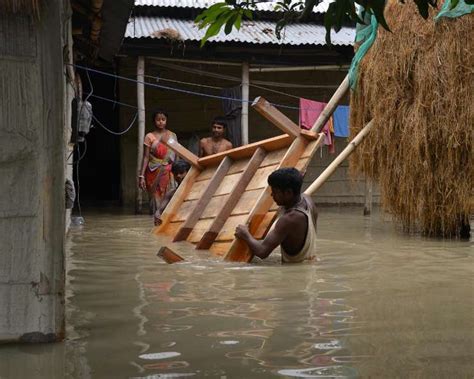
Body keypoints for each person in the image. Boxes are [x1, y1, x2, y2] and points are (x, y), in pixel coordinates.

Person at [235, 168, 318, 263]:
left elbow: (262, 252)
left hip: (292, 272)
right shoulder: (308, 200)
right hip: (310, 262)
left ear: (288, 193)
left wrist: (245, 234)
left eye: (275, 192)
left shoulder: (289, 219)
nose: (272, 195)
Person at [138, 110, 177, 214]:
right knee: (155, 198)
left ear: (166, 121)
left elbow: (176, 155)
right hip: (153, 171)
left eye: (163, 119)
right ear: (154, 121)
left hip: (169, 171)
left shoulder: (172, 135)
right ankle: (153, 223)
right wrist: (141, 176)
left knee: (169, 197)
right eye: (158, 119)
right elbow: (146, 157)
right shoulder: (149, 136)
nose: (161, 122)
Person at [154, 160, 190, 226]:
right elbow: (159, 210)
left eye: (181, 172)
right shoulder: (171, 193)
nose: (178, 175)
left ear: (188, 172)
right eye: (176, 173)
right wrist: (157, 214)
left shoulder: (196, 189)